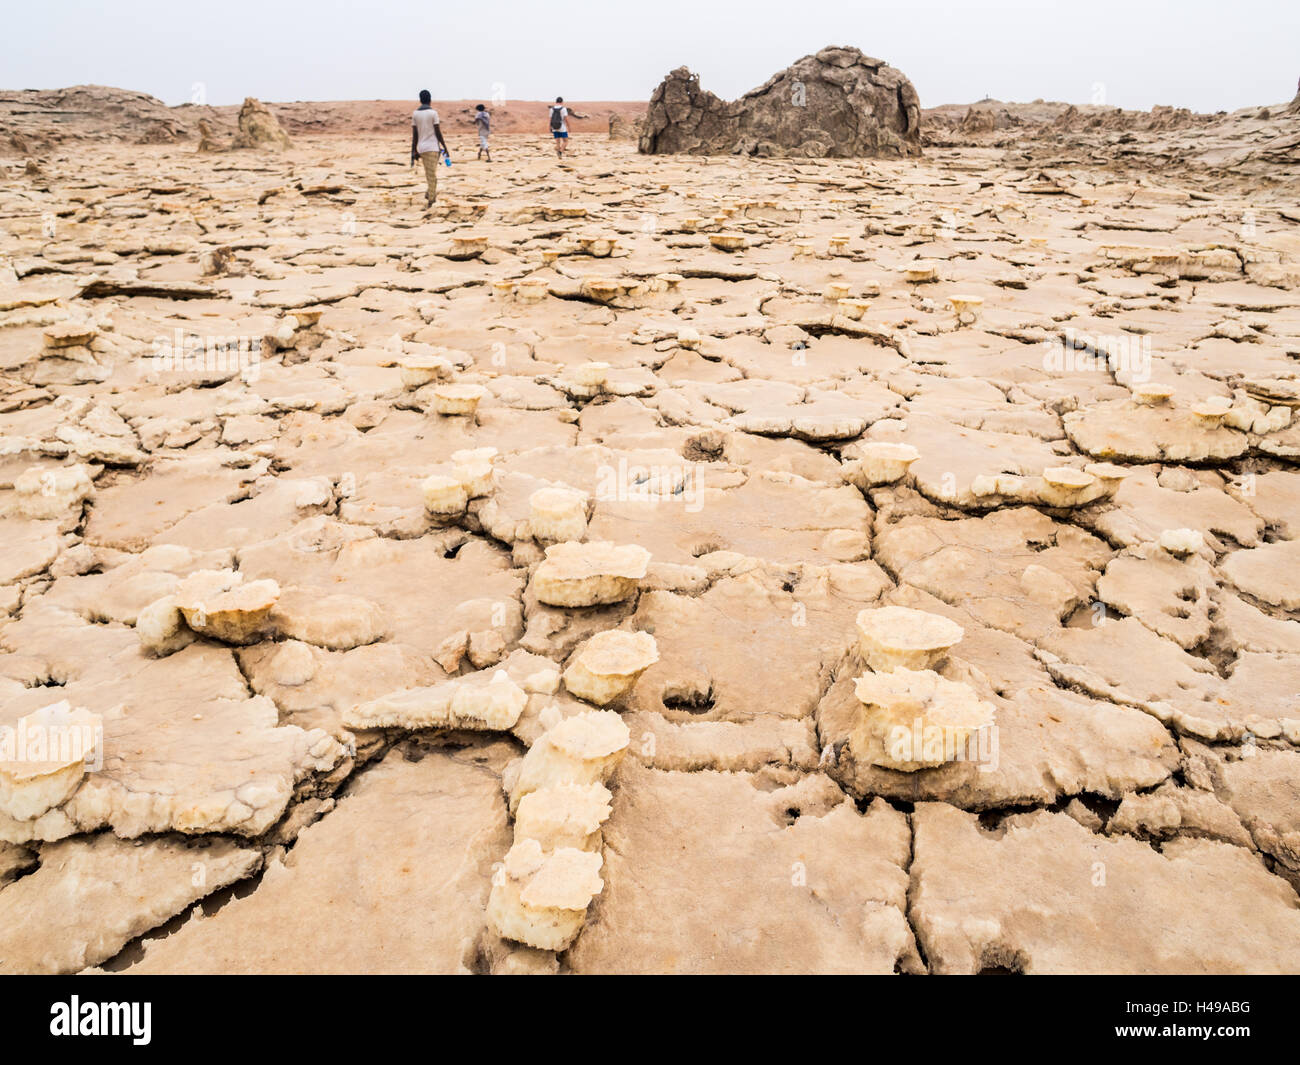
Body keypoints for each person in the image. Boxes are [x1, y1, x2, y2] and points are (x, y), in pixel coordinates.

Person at [410, 89, 449, 206]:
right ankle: (431, 200)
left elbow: (415, 135)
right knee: (431, 175)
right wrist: (445, 146)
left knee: (431, 173)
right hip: (433, 148)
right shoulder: (433, 113)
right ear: (430, 100)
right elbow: (438, 132)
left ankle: (429, 192)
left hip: (422, 147)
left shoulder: (415, 114)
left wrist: (414, 150)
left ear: (420, 100)